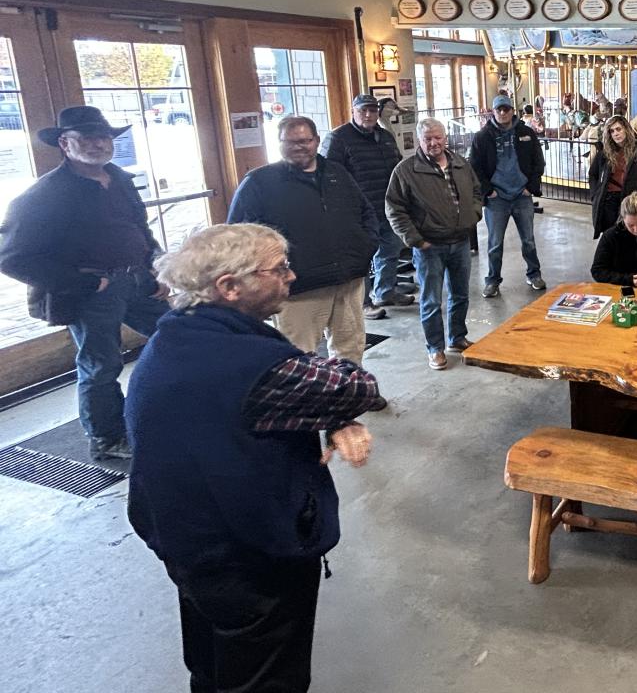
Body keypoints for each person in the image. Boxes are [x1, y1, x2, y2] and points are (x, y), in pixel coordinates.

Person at [126, 223, 384, 692]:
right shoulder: (252, 365)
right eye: (279, 268)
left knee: (215, 659)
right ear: (229, 287)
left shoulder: (179, 335)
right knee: (267, 674)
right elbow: (357, 387)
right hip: (244, 554)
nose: (291, 275)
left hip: (184, 536)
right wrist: (337, 412)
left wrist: (331, 417)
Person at [0, 106, 170, 461]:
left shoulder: (118, 178)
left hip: (137, 279)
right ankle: (107, 438)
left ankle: (166, 409)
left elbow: (139, 228)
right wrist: (82, 284)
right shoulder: (45, 195)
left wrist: (156, 267)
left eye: (104, 137)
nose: (99, 144)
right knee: (101, 366)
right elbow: (11, 257)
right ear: (65, 143)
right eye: (87, 138)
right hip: (93, 291)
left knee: (176, 335)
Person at [228, 116, 378, 365]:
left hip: (348, 281)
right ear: (279, 143)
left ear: (316, 141)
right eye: (291, 142)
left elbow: (366, 212)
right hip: (298, 288)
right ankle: (310, 393)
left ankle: (349, 387)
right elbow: (239, 236)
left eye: (305, 141)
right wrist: (270, 274)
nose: (299, 147)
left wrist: (366, 247)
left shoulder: (337, 173)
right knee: (298, 357)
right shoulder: (259, 183)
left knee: (350, 348)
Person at [386, 118, 484, 370]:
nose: (434, 143)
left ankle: (457, 338)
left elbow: (476, 191)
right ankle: (435, 348)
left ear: (445, 138)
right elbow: (395, 208)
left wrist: (473, 214)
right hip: (429, 247)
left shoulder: (460, 164)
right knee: (431, 301)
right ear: (419, 140)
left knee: (460, 295)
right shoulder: (406, 171)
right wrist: (415, 239)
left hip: (460, 241)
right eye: (428, 139)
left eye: (438, 137)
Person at [320, 94, 413, 316]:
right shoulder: (338, 138)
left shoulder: (385, 136)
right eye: (363, 110)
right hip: (357, 211)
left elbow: (397, 166)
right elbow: (327, 174)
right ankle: (363, 303)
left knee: (390, 251)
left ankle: (385, 292)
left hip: (387, 206)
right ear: (353, 111)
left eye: (372, 110)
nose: (368, 115)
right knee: (361, 258)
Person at [469, 94, 546, 298]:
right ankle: (492, 280)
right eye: (499, 110)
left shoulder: (527, 133)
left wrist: (531, 187)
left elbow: (538, 161)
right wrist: (488, 191)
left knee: (528, 240)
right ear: (493, 112)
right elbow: (474, 167)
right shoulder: (482, 137)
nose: (503, 113)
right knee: (495, 243)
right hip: (497, 199)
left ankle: (534, 274)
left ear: (513, 111)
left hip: (522, 195)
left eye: (506, 109)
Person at [588, 114, 637, 238]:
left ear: (626, 129)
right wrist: (595, 194)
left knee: (628, 236)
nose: (616, 133)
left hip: (628, 200)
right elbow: (592, 174)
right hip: (607, 202)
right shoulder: (605, 153)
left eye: (618, 129)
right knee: (609, 237)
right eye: (612, 131)